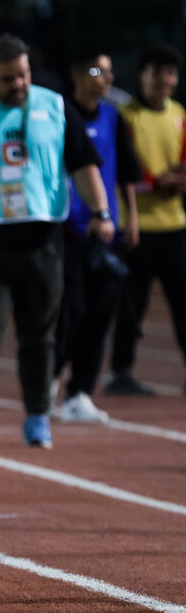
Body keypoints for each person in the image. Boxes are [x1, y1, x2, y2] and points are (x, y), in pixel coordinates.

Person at [0, 34, 113, 450]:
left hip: (42, 239)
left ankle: (37, 415)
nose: (19, 84)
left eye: (24, 75)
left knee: (39, 333)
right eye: (8, 78)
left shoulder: (56, 107)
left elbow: (84, 165)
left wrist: (100, 212)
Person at [52, 52, 142, 420]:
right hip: (66, 229)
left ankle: (80, 392)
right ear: (76, 74)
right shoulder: (56, 115)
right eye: (96, 70)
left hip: (106, 230)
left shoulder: (113, 117)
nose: (105, 78)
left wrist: (131, 218)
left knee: (102, 314)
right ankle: (49, 377)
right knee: (70, 311)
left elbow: (126, 173)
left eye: (108, 71)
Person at [109, 45, 186, 396]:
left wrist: (179, 180)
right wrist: (155, 183)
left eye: (170, 73)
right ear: (142, 76)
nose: (164, 80)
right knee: (132, 303)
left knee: (182, 303)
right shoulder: (125, 117)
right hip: (136, 226)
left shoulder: (180, 114)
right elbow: (120, 173)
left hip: (175, 224)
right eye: (157, 73)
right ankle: (120, 372)